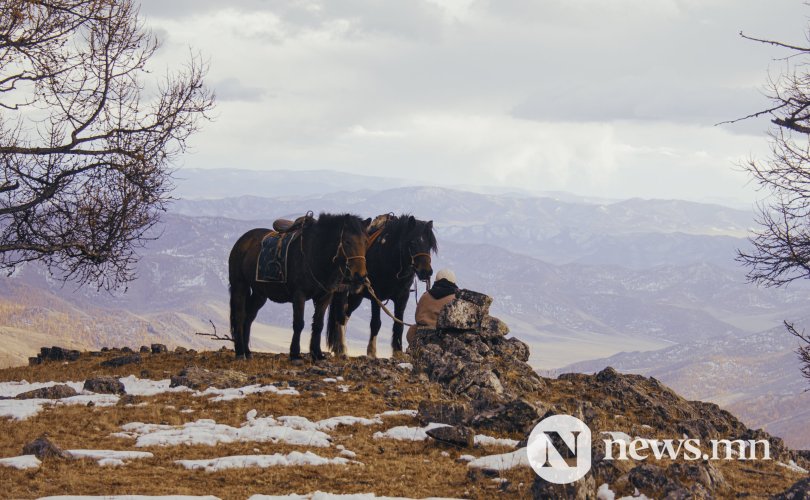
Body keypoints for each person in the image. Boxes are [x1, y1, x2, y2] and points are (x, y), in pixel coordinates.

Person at [406, 268, 459, 345]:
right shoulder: (455, 298)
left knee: (412, 329)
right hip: (441, 338)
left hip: (419, 336)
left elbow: (417, 317)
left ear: (436, 280)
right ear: (453, 282)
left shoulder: (425, 296)